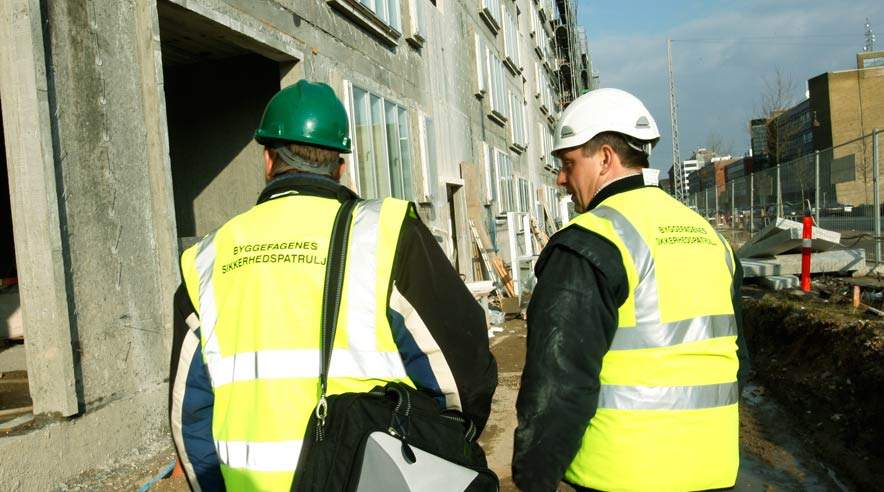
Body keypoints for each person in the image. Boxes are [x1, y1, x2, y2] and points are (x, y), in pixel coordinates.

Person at [168, 80, 497, 491]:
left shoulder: (205, 259)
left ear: (268, 160)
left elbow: (190, 415)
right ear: (340, 165)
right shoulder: (385, 235)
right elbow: (463, 374)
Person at [512, 88, 748, 492]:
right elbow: (737, 358)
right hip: (713, 469)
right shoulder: (709, 238)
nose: (561, 178)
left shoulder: (590, 242)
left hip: (623, 474)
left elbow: (558, 383)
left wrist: (533, 478)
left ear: (605, 157)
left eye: (568, 163)